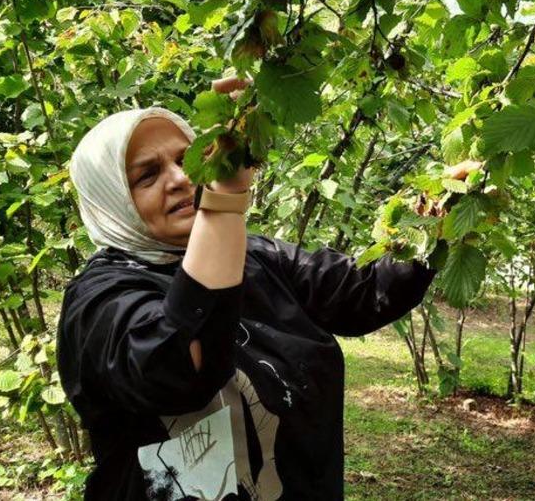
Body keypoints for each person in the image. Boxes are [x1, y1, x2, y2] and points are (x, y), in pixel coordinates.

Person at [59, 77, 461, 500]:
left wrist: (436, 215)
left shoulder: (257, 257)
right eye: (147, 175)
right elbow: (175, 366)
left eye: (188, 159)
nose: (179, 179)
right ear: (111, 200)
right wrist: (226, 200)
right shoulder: (98, 298)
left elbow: (362, 293)